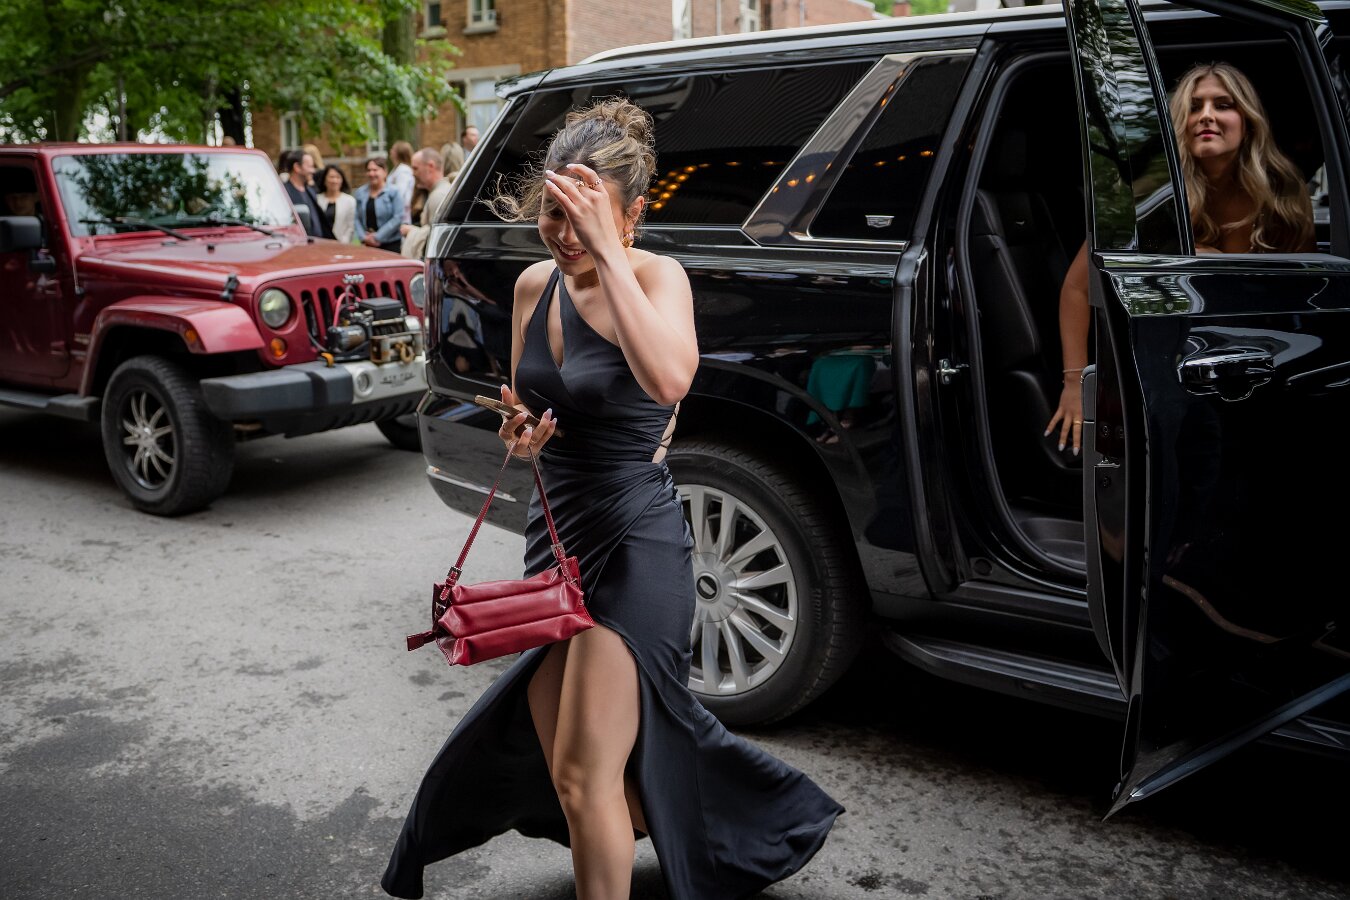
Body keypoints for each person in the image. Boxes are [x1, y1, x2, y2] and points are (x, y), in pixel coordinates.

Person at [381, 98, 842, 900]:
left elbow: (668, 380)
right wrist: (524, 433)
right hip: (556, 539)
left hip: (635, 543)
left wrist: (607, 252)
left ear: (633, 214)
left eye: (584, 218)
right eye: (553, 213)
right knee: (570, 773)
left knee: (589, 770)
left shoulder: (658, 278)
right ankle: (685, 829)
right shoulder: (534, 286)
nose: (563, 235)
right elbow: (533, 409)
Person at [1046, 61, 1314, 455]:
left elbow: (1304, 297)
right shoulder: (1149, 195)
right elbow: (1077, 288)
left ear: (1248, 120)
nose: (1206, 115)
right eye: (1194, 106)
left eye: (1223, 105)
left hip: (1258, 369)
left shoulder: (1284, 194)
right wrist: (1076, 386)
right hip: (1170, 369)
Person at [400, 147, 453, 260]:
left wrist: (411, 231)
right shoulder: (439, 192)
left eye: (415, 168)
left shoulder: (439, 196)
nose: (413, 174)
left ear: (430, 166)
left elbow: (437, 238)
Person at [279, 148, 334, 239]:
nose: (313, 171)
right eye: (310, 166)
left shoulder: (310, 191)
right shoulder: (283, 193)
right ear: (297, 167)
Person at [353, 156, 403, 253]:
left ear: (385, 172)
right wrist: (364, 237)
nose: (371, 173)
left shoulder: (393, 192)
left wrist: (377, 236)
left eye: (375, 170)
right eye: (369, 170)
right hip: (367, 244)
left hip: (390, 244)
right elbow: (356, 218)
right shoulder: (360, 193)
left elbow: (398, 218)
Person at [315, 164, 356, 244]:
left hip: (342, 244)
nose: (334, 180)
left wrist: (342, 243)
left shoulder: (349, 201)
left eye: (338, 177)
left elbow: (351, 227)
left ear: (342, 180)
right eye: (331, 177)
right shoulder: (317, 199)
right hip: (320, 244)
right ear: (324, 180)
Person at [387, 139, 415, 225]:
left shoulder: (403, 171)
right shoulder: (397, 169)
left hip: (401, 216)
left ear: (398, 153)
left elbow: (400, 193)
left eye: (393, 149)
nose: (390, 151)